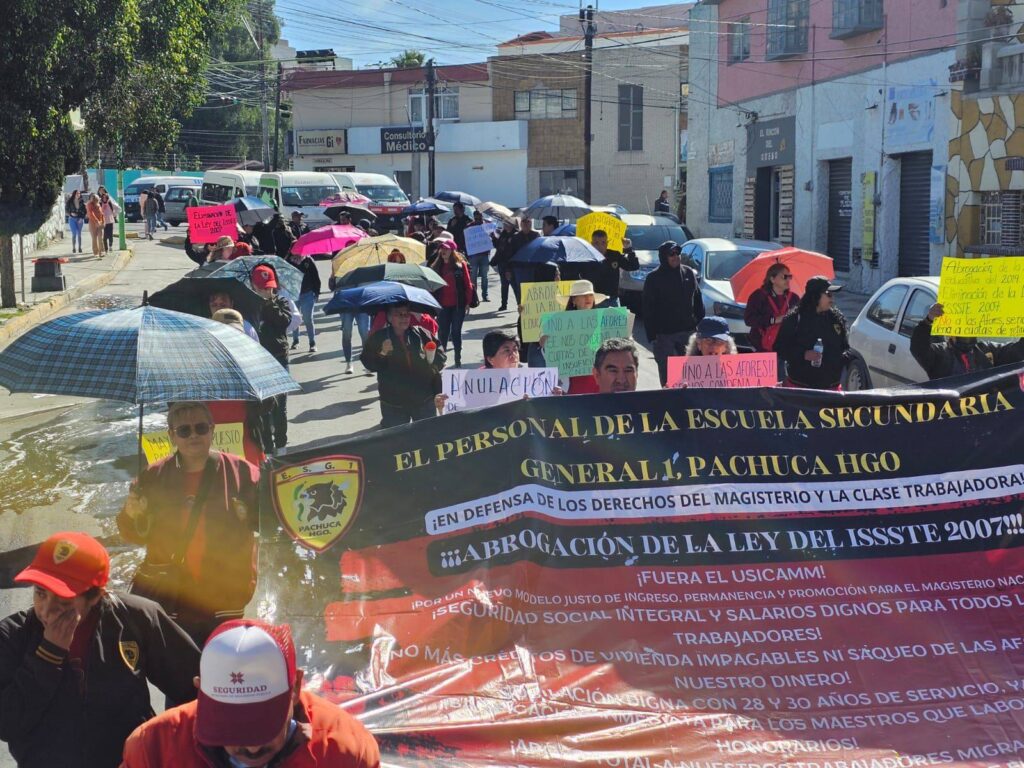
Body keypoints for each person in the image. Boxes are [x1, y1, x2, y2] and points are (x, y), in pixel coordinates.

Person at [0, 532, 200, 768]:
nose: (46, 610)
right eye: (40, 593)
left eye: (63, 601)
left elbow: (196, 689)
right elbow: (7, 725)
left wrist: (168, 745)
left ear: (96, 596)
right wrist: (48, 656)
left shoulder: (136, 618)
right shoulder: (11, 636)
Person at [121, 619, 380, 768]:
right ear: (201, 692)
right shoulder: (152, 749)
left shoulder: (345, 750)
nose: (253, 747)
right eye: (232, 728)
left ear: (295, 689)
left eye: (263, 724)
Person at [117, 401, 261, 646]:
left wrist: (250, 513)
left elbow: (267, 523)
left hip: (225, 592)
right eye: (184, 431)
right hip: (173, 594)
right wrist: (131, 515)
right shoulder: (151, 478)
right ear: (172, 435)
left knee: (223, 665)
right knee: (181, 670)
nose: (193, 435)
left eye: (201, 428)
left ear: (212, 429)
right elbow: (133, 535)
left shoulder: (244, 473)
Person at [361, 303, 447, 428]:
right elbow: (368, 363)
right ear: (389, 317)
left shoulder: (421, 333)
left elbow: (440, 358)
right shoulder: (379, 337)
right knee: (396, 443)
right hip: (393, 403)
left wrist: (432, 357)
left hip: (423, 398)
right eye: (399, 314)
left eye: (407, 314)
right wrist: (382, 353)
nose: (404, 317)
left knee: (428, 438)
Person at [642, 241, 705, 387]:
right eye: (671, 254)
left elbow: (697, 299)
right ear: (664, 257)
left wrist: (698, 325)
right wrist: (653, 336)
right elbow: (647, 309)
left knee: (691, 378)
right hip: (664, 336)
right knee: (669, 381)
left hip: (688, 333)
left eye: (678, 253)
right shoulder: (653, 278)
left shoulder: (688, 273)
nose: (676, 256)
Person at [210, 309, 268, 466]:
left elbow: (269, 403)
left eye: (235, 334)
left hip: (247, 445)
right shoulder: (200, 366)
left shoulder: (251, 362)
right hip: (210, 449)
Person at [911, 302, 1024, 379]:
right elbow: (918, 347)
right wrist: (928, 321)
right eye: (961, 325)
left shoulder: (988, 350)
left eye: (969, 325)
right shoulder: (940, 353)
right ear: (950, 331)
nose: (966, 330)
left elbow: (1017, 351)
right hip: (952, 411)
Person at [531, 280, 605, 395]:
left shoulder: (604, 320)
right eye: (583, 295)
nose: (588, 298)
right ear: (574, 300)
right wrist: (546, 339)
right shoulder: (557, 320)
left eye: (590, 295)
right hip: (570, 379)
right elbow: (543, 344)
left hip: (597, 378)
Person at [775, 276, 849, 390]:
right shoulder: (795, 319)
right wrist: (803, 354)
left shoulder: (836, 318)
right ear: (815, 296)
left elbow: (844, 347)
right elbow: (780, 348)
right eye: (828, 294)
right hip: (801, 389)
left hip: (831, 388)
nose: (832, 299)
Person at [253, 265, 293, 452]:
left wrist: (269, 303)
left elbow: (284, 322)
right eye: (261, 288)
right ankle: (267, 447)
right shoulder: (249, 305)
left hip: (279, 358)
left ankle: (281, 444)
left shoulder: (281, 302)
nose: (266, 291)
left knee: (280, 406)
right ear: (253, 286)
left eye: (269, 287)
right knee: (263, 408)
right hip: (257, 362)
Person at [429, 238, 476, 368]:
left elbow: (468, 285)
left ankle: (457, 358)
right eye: (442, 248)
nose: (443, 251)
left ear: (452, 251)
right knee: (442, 333)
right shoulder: (436, 266)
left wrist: (467, 302)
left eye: (446, 249)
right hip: (442, 306)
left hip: (458, 305)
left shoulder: (461, 266)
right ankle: (441, 359)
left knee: (456, 332)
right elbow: (432, 286)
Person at [743, 262, 799, 353]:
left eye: (790, 277)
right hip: (763, 349)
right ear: (772, 279)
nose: (788, 280)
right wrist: (773, 320)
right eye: (785, 277)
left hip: (786, 349)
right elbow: (749, 319)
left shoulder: (794, 298)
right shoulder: (759, 296)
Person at [590, 230, 639, 306]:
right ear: (592, 244)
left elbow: (633, 266)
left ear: (607, 243)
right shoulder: (587, 258)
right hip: (595, 301)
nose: (600, 246)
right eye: (596, 243)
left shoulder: (614, 255)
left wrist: (628, 249)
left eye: (603, 243)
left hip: (613, 299)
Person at [287, 251, 321, 353]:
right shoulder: (288, 261)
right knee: (295, 318)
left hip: (308, 294)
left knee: (308, 319)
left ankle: (312, 343)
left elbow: (316, 277)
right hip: (294, 294)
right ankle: (295, 340)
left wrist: (317, 292)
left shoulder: (308, 260)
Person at [490, 219, 518, 311]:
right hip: (502, 263)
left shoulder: (515, 235)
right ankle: (503, 304)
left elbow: (513, 251)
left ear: (512, 225)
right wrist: (493, 238)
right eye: (504, 223)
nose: (504, 225)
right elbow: (498, 246)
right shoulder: (503, 234)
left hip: (510, 264)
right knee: (504, 285)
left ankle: (519, 304)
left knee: (514, 286)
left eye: (507, 223)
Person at [466, 209, 491, 303]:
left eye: (479, 216)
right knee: (473, 277)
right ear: (473, 217)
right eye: (476, 217)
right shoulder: (469, 227)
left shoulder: (487, 225)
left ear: (482, 216)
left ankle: (485, 295)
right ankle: (474, 296)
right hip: (473, 255)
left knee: (485, 276)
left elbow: (493, 236)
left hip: (484, 255)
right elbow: (466, 239)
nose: (478, 219)